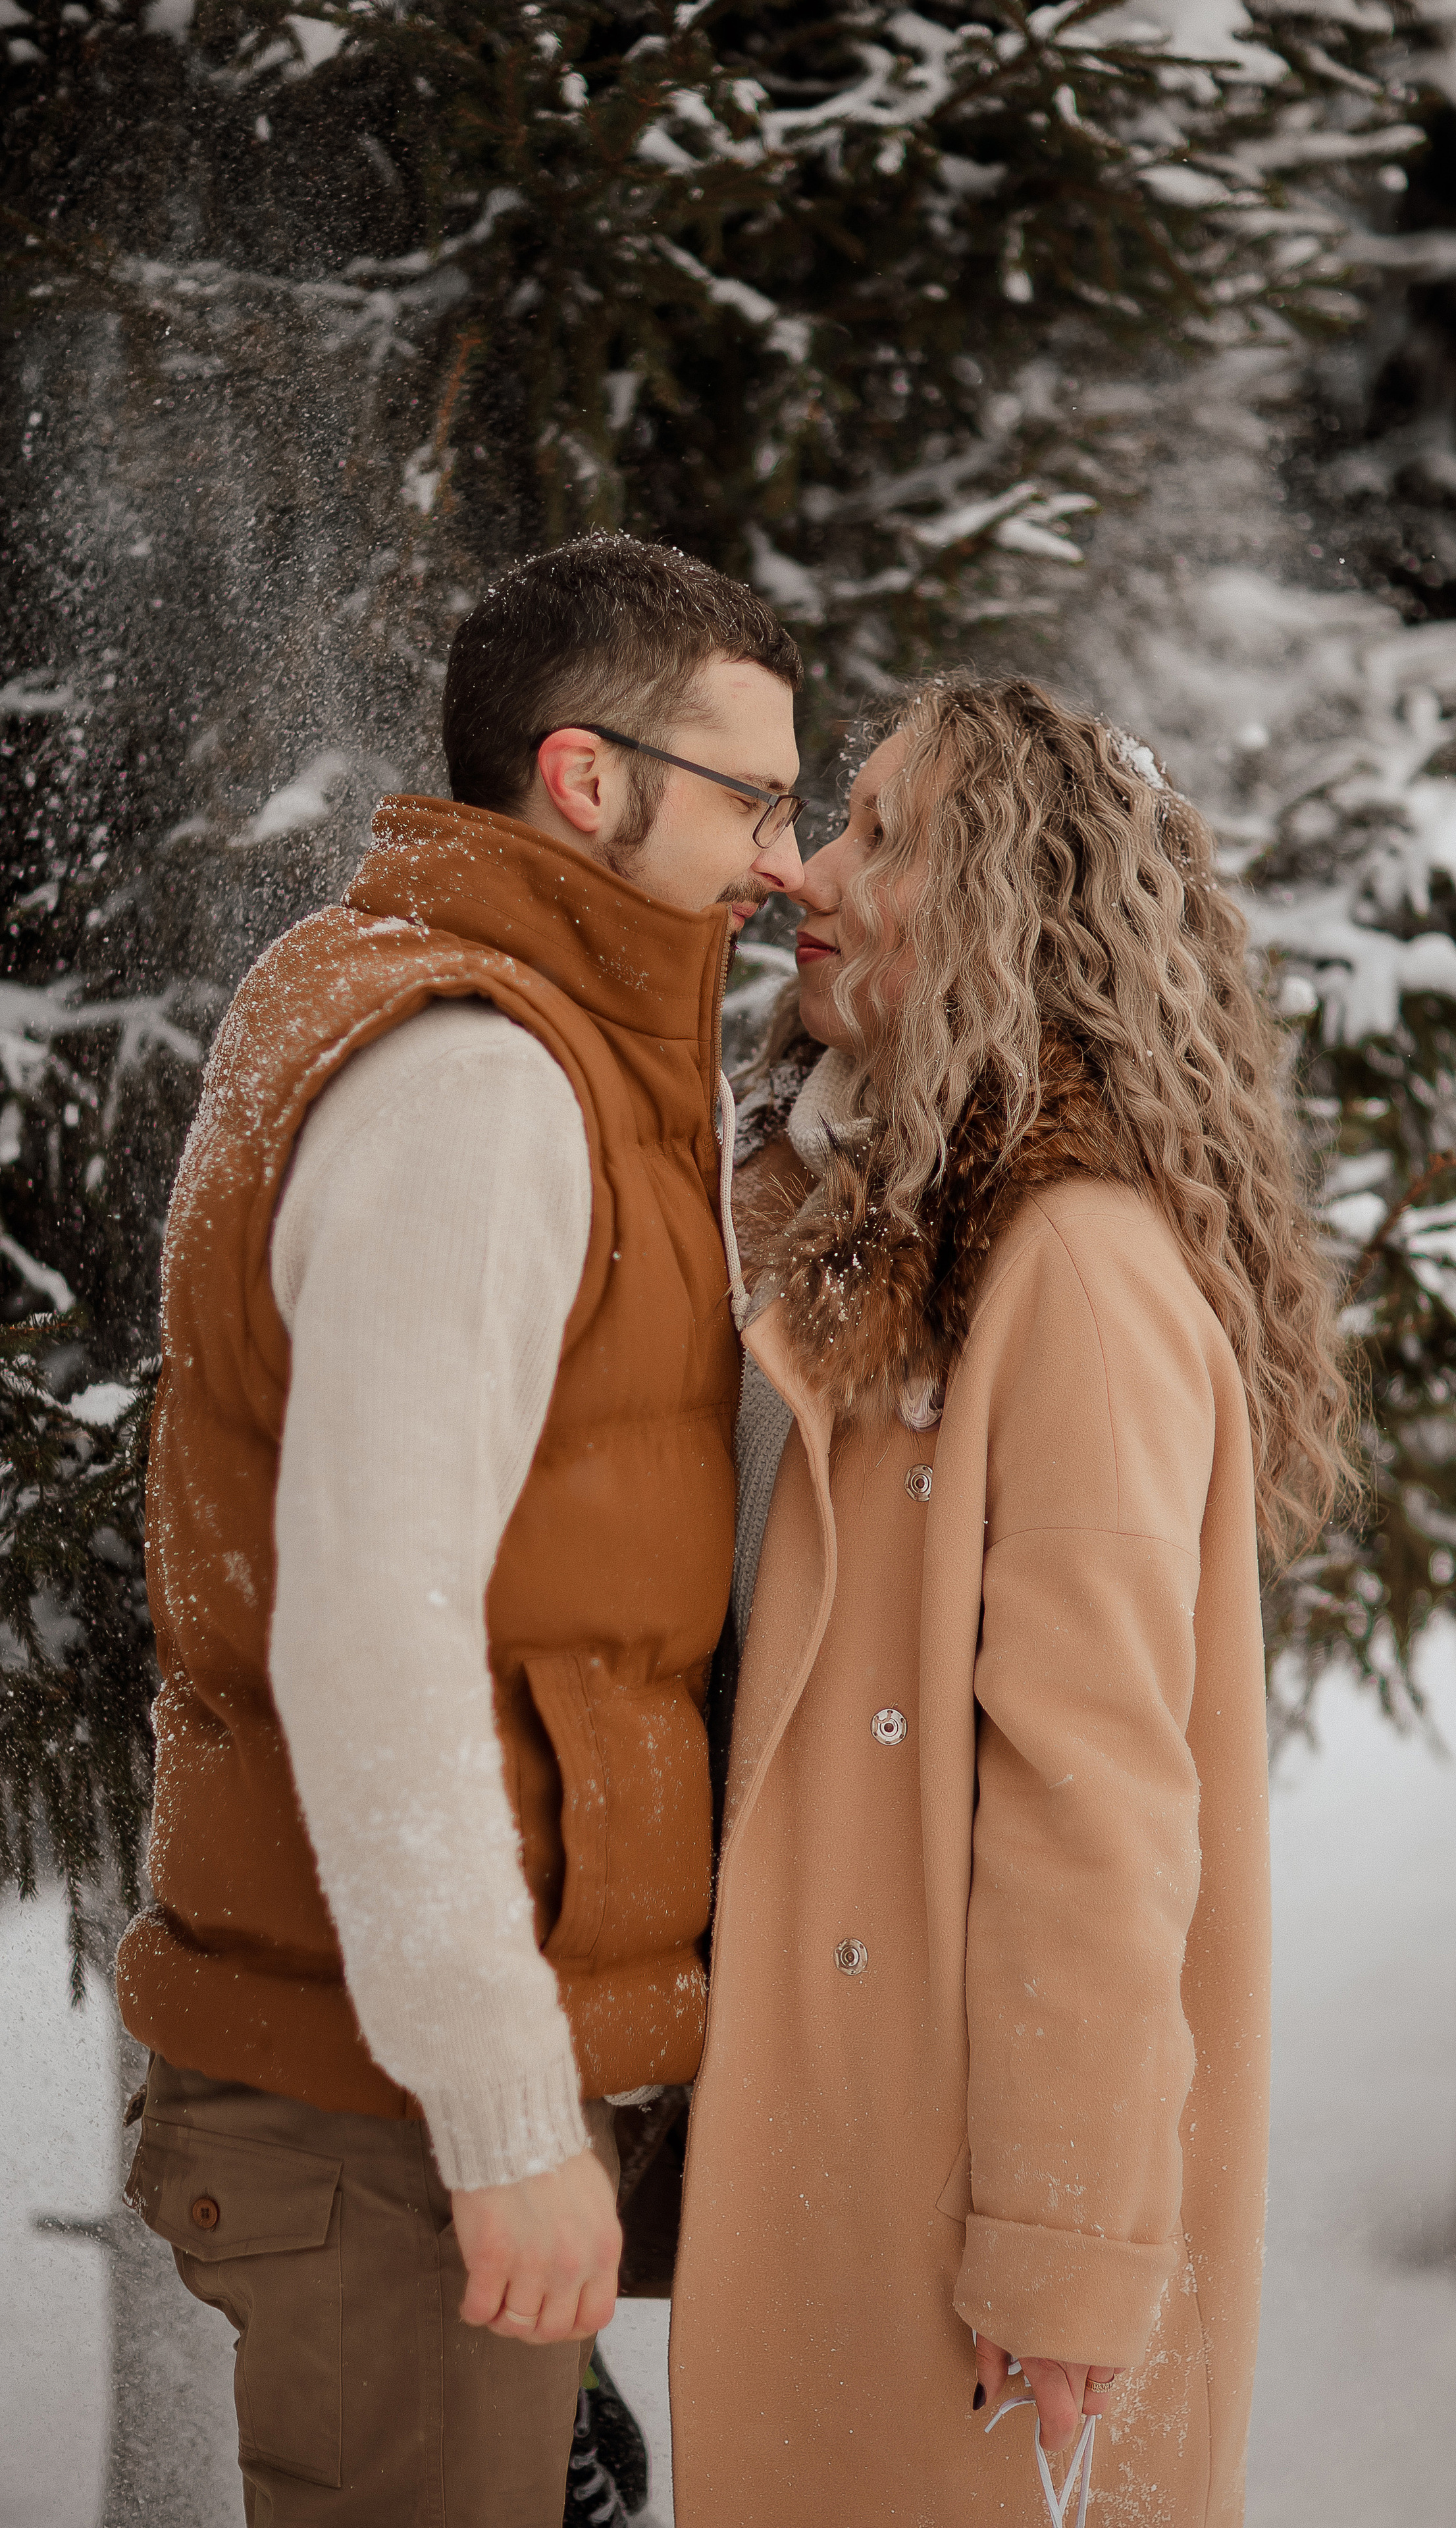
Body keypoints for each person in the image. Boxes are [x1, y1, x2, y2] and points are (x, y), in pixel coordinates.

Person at [117, 535, 806, 2525]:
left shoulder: (485, 1023)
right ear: (587, 779)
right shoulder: (482, 1082)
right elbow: (371, 1629)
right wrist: (505, 2121)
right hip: (399, 2120)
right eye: (756, 799)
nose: (784, 860)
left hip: (407, 2078)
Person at [673, 676, 1353, 2525]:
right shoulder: (880, 1222)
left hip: (969, 2243)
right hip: (849, 2131)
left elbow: (1097, 1806)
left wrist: (1062, 2260)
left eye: (884, 837)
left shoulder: (1075, 1263)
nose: (811, 872)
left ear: (1005, 906)